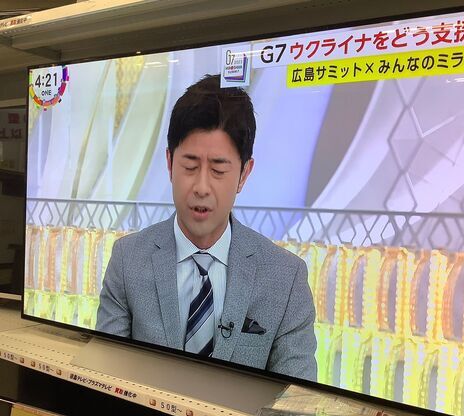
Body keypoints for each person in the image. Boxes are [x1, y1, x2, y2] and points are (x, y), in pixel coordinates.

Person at [96, 74, 317, 381]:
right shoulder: (127, 259)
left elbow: (295, 398)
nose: (201, 187)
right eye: (189, 166)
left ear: (244, 174)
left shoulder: (286, 278)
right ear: (169, 163)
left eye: (218, 170)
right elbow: (106, 379)